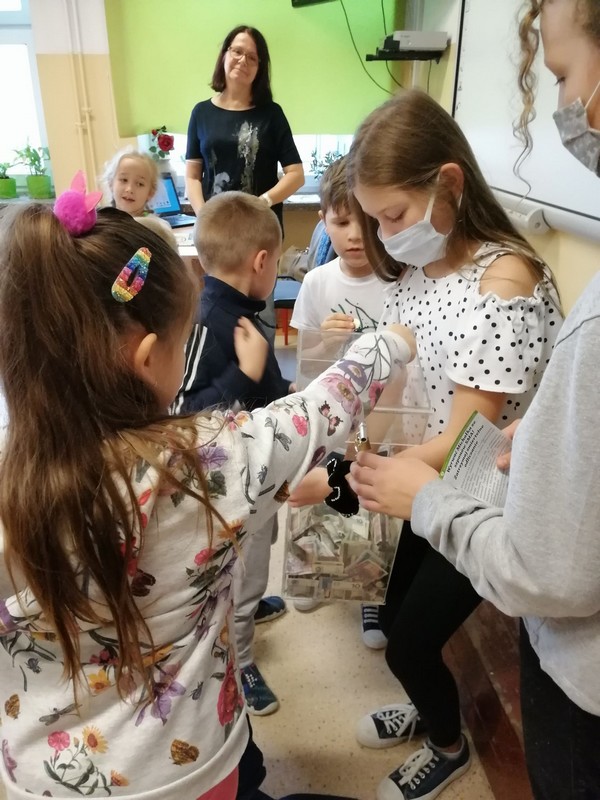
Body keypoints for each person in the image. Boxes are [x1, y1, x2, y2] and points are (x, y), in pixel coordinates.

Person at [0, 195, 415, 799]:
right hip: (184, 771)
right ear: (147, 359)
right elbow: (322, 407)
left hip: (37, 777)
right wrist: (390, 343)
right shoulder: (205, 463)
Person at [348, 2, 600, 799]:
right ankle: (430, 704)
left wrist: (363, 475)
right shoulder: (428, 267)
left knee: (410, 641)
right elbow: (409, 364)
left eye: (393, 216)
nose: (386, 235)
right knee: (400, 627)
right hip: (436, 483)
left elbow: (468, 438)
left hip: (482, 495)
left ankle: (448, 740)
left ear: (447, 184)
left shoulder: (503, 284)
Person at [172, 191, 291, 716]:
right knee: (243, 572)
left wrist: (280, 389)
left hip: (258, 464)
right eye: (278, 262)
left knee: (259, 558)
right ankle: (240, 662)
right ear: (261, 262)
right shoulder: (205, 320)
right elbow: (183, 412)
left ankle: (250, 603)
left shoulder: (242, 308)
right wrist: (243, 373)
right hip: (230, 482)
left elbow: (264, 377)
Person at [288, 156, 389, 649]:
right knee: (325, 495)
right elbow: (304, 359)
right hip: (330, 413)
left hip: (382, 416)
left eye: (366, 222)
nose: (354, 235)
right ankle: (317, 574)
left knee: (369, 502)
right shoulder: (317, 282)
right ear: (323, 221)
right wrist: (323, 341)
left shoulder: (400, 279)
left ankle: (371, 591)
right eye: (342, 221)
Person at [185, 24, 305, 340]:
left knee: (260, 317)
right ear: (224, 55)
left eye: (252, 57)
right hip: (217, 234)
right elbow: (193, 176)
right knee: (217, 314)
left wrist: (261, 203)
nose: (243, 60)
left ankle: (262, 372)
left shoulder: (272, 114)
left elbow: (296, 175)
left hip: (259, 234)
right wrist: (204, 216)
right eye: (237, 51)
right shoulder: (201, 113)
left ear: (260, 68)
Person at [102, 146, 162, 219]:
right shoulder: (101, 221)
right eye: (124, 180)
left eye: (140, 184)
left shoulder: (154, 224)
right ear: (111, 183)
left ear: (150, 193)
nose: (129, 189)